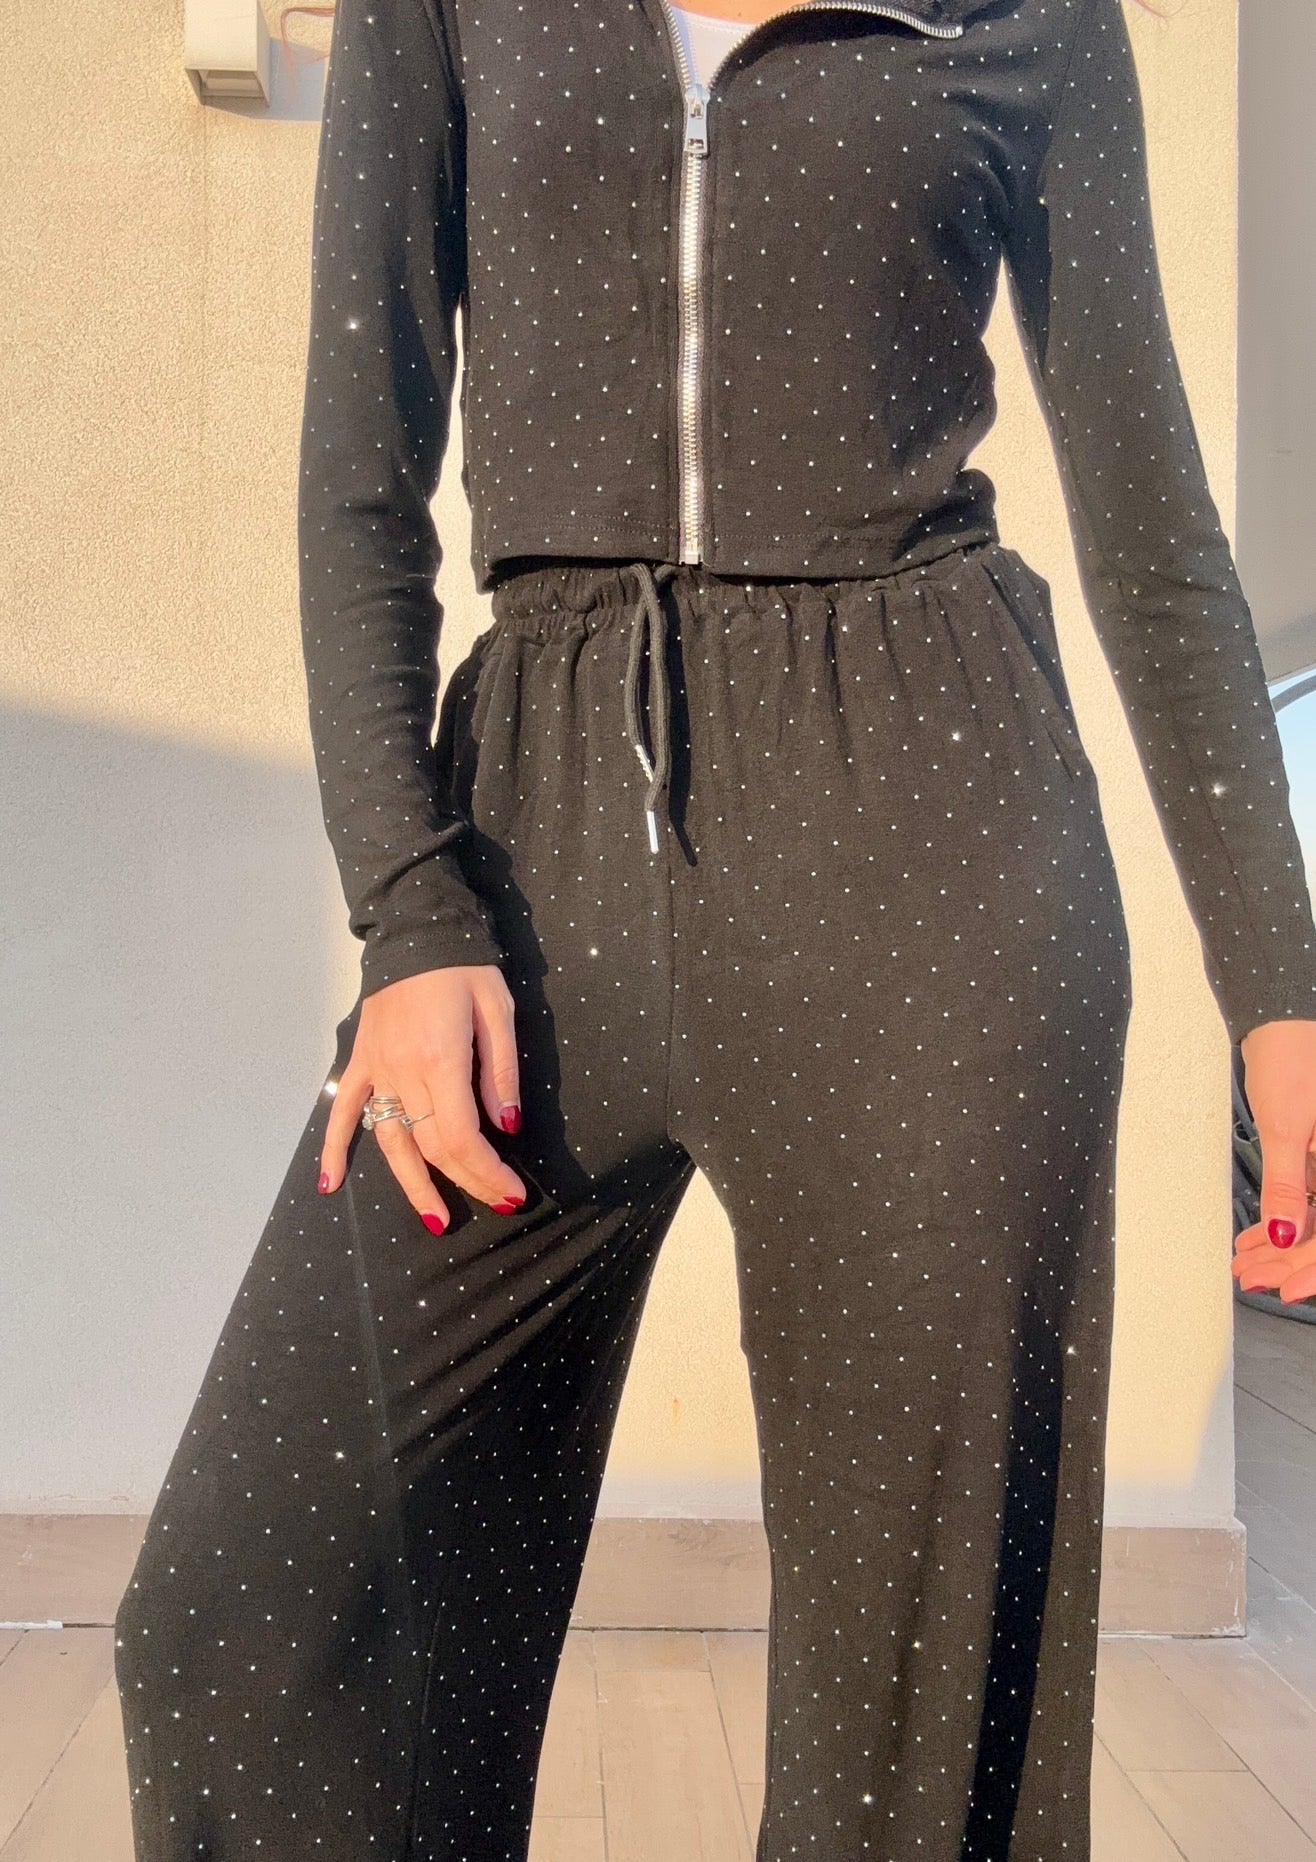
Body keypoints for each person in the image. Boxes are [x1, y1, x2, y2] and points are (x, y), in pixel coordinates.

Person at [113, 0, 1316, 1856]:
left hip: (929, 840)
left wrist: (1281, 994)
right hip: (530, 835)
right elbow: (358, 473)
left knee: (920, 1741)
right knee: (246, 1619)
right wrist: (410, 908)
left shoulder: (1031, 17)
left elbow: (1155, 528)